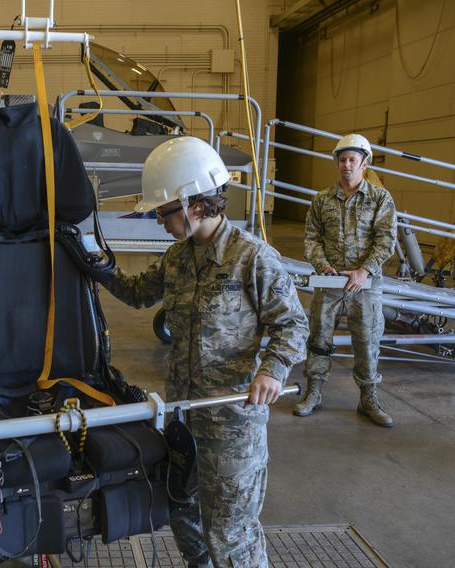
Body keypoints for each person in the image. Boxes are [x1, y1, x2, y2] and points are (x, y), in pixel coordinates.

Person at [98, 137, 308, 567]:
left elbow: (292, 325)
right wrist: (95, 264)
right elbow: (138, 294)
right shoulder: (177, 258)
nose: (158, 220)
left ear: (194, 204)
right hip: (184, 419)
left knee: (231, 537)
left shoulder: (252, 259)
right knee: (184, 518)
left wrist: (273, 370)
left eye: (163, 211)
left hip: (232, 427)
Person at [295, 133, 397, 427]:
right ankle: (313, 393)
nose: (347, 165)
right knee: (319, 340)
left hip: (364, 285)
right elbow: (312, 238)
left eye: (353, 159)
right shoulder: (322, 200)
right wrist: (323, 266)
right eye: (342, 159)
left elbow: (386, 240)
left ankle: (368, 398)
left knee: (367, 342)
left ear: (365, 163)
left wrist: (365, 270)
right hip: (330, 283)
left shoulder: (380, 198)